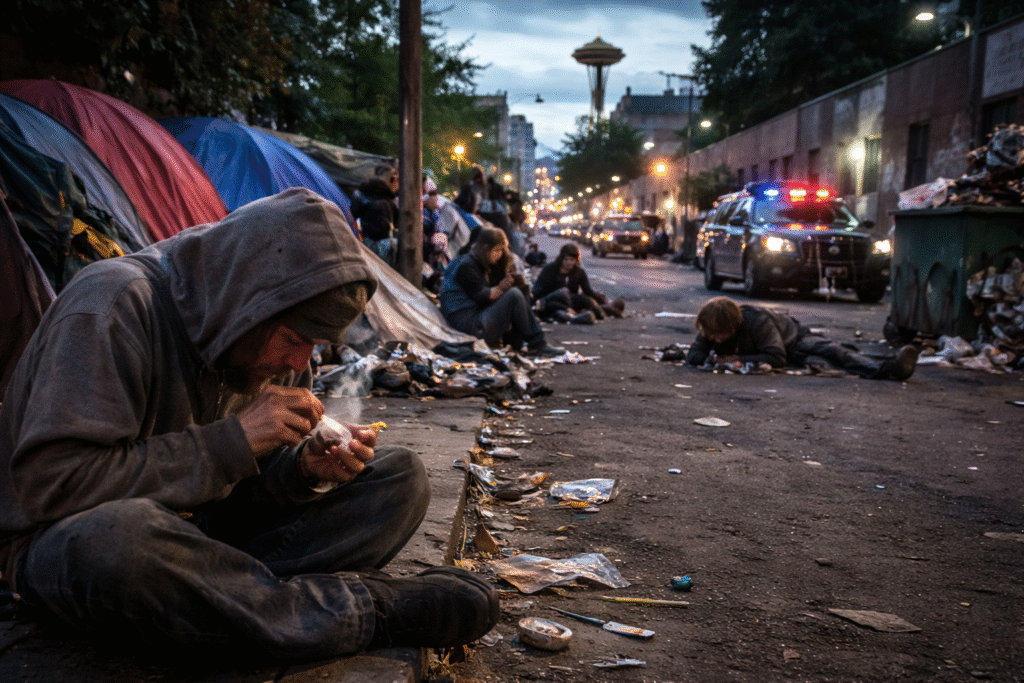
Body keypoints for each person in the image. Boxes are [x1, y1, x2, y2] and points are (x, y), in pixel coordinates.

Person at [0, 189, 498, 660]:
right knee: (116, 543)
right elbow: (54, 487)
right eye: (294, 338)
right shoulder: (112, 305)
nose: (301, 361)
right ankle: (359, 610)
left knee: (400, 479)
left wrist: (302, 471)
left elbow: (235, 487)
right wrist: (231, 441)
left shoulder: (270, 340)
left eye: (317, 345)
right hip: (66, 545)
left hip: (202, 531)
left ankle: (231, 600)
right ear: (249, 302)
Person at [686, 296, 919, 380]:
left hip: (796, 339)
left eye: (719, 334)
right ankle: (883, 367)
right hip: (793, 357)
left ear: (732, 325)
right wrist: (715, 360)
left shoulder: (758, 321)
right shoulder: (712, 328)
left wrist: (734, 358)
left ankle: (892, 367)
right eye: (711, 335)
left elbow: (776, 356)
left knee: (836, 353)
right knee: (830, 366)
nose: (715, 340)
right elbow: (694, 354)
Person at [439, 226, 562, 357]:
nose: (500, 254)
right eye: (497, 250)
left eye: (502, 251)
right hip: (469, 325)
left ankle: (518, 343)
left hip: (475, 319)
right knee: (513, 295)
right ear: (485, 249)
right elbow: (483, 297)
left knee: (518, 291)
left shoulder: (477, 262)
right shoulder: (467, 266)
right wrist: (502, 287)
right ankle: (538, 344)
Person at [532, 243, 625, 324]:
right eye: (566, 260)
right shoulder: (550, 269)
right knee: (563, 295)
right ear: (561, 259)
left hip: (571, 301)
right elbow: (540, 295)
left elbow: (587, 291)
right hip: (551, 301)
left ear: (576, 260)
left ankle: (607, 309)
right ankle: (597, 311)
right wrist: (564, 307)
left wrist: (600, 299)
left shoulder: (578, 272)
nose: (568, 263)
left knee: (587, 301)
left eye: (572, 260)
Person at [352, 165, 400, 266]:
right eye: (397, 180)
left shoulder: (360, 194)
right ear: (392, 180)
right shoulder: (384, 204)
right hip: (373, 256)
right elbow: (382, 233)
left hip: (358, 247)